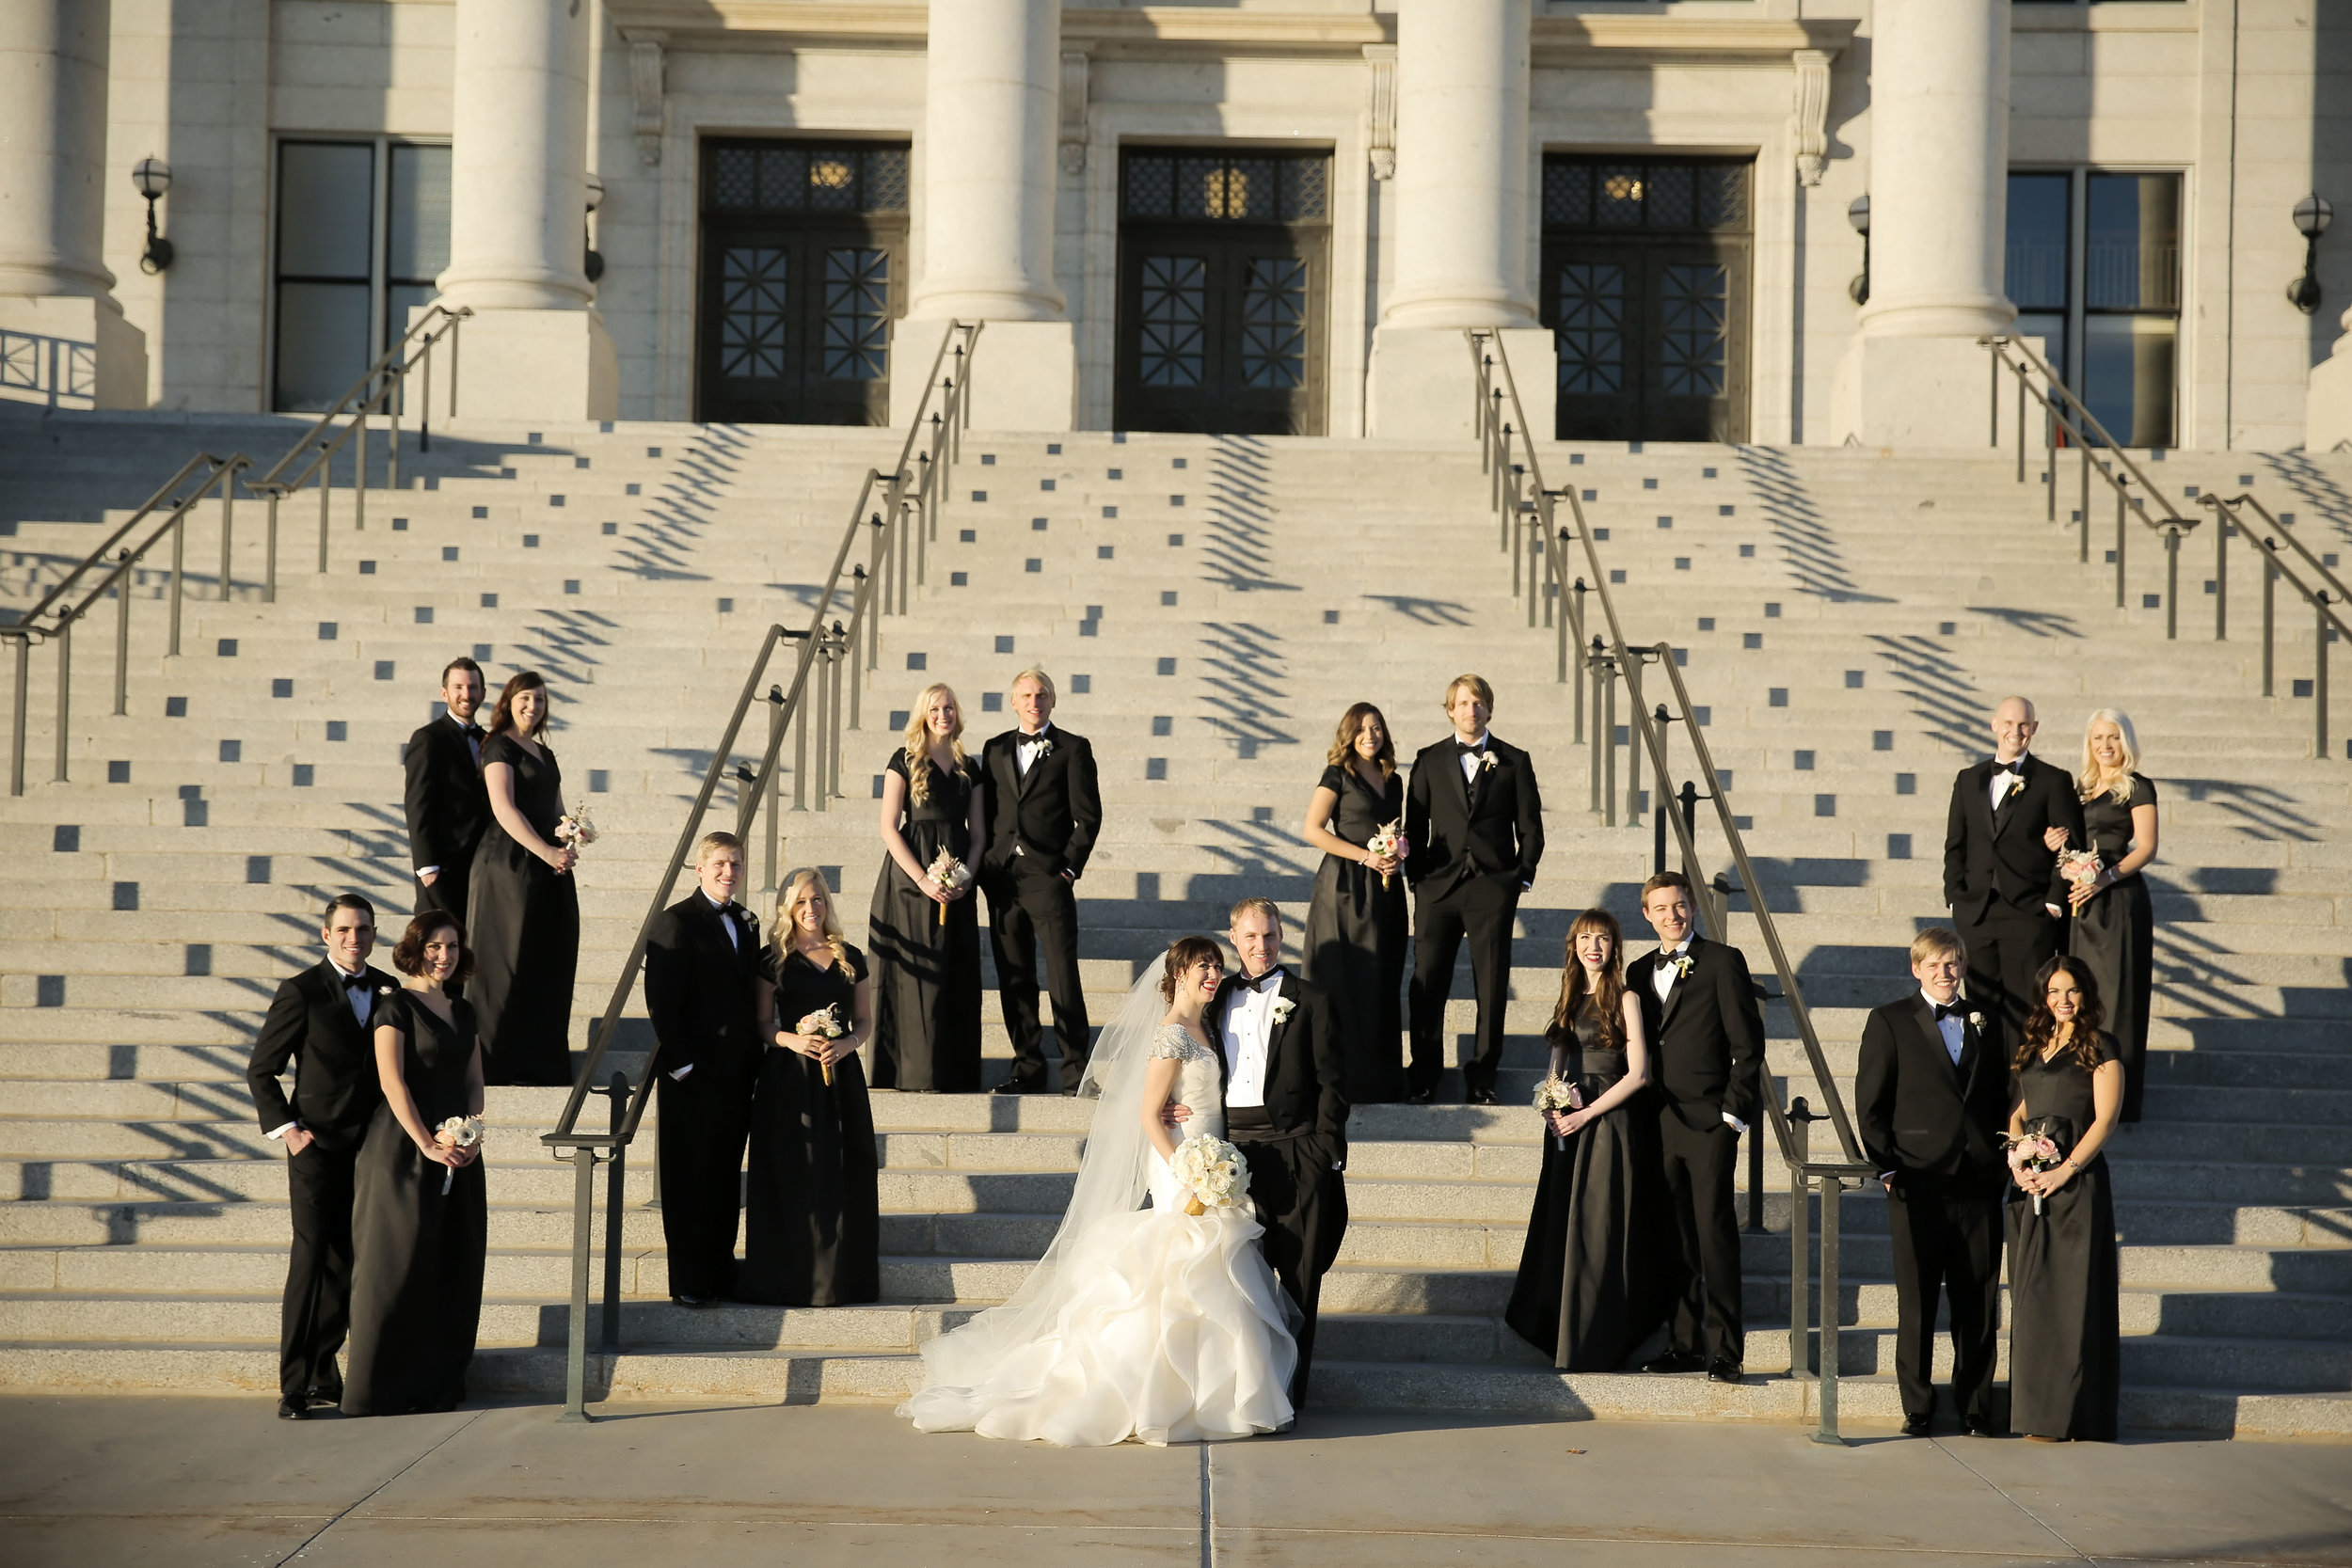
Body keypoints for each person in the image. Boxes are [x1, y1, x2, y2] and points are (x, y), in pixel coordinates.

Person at [901, 937, 1301, 1446]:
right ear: (1178, 972)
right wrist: (1187, 1169)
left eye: (1217, 967)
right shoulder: (1170, 1034)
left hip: (1211, 1156)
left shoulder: (1205, 1026)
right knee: (1183, 1267)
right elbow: (1147, 1114)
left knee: (1214, 1268)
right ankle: (1157, 1392)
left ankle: (1215, 1395)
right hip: (1183, 1165)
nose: (1213, 974)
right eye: (1203, 965)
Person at [1854, 928, 2010, 1438]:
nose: (1947, 973)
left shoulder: (1988, 1020)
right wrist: (1888, 1167)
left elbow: (2005, 1095)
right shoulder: (1889, 1021)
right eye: (1937, 965)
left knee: (1978, 1299)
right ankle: (1918, 1406)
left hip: (1979, 1181)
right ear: (1916, 968)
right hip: (1917, 1181)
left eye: (1955, 963)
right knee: (1917, 1299)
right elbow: (1871, 1105)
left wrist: (2006, 1156)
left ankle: (1975, 1406)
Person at [246, 895, 394, 1419]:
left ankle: (324, 1374)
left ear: (375, 935)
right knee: (311, 1259)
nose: (356, 938)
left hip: (372, 1148)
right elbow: (261, 1069)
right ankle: (292, 1385)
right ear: (326, 935)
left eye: (365, 930)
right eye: (346, 930)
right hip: (315, 1145)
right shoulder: (301, 991)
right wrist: (288, 1131)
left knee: (349, 1261)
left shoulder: (389, 989)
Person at [1202, 897, 1350, 1410]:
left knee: (1300, 1275)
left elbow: (1334, 1082)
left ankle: (1290, 1395)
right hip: (1230, 1154)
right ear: (1233, 937)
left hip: (1296, 1148)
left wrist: (1325, 1151)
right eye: (1249, 937)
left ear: (1281, 935)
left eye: (1268, 936)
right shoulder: (1215, 997)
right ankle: (1248, 1390)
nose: (1260, 946)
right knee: (1240, 1276)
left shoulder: (1311, 999)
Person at [342, 913, 487, 1417]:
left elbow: (473, 1083)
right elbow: (392, 1082)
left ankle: (438, 1384)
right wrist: (427, 1142)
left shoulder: (464, 1011)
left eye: (451, 946)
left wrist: (470, 1134)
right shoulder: (395, 1007)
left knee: (453, 1263)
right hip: (402, 1149)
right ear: (414, 949)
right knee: (396, 1264)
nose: (443, 955)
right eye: (433, 946)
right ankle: (376, 1390)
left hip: (459, 1149)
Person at [1504, 909, 1658, 1371]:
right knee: (1563, 1225)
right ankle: (1560, 1333)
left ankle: (1595, 1340)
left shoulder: (1626, 997)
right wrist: (1551, 1107)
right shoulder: (1570, 995)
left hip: (1608, 1122)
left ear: (1615, 947)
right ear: (1573, 946)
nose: (1594, 946)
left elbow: (1640, 1074)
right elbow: (1555, 1065)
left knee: (1598, 1229)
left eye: (1604, 938)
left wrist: (1587, 1112)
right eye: (1586, 937)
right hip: (1566, 1126)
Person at [1631, 871, 1762, 1384]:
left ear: (1693, 907)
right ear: (1647, 914)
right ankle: (1684, 1343)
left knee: (1714, 1233)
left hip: (1709, 1122)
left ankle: (1727, 1349)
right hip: (1656, 1121)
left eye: (1680, 905)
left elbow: (1748, 1047)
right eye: (1662, 908)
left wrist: (1732, 1113)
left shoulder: (1722, 962)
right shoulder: (1639, 971)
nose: (1672, 915)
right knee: (1673, 1236)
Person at [738, 870, 881, 1307]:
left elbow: (865, 1020)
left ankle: (841, 1281)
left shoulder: (850, 955)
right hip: (787, 1079)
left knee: (841, 1171)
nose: (811, 909)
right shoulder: (772, 958)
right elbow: (762, 1024)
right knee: (792, 1169)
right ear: (788, 907)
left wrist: (847, 1044)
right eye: (801, 902)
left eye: (817, 900)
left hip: (842, 1078)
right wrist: (793, 1040)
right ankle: (786, 1278)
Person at [1403, 673, 1545, 1104]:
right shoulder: (1427, 760)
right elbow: (1414, 825)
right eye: (1463, 703)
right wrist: (1417, 878)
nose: (1471, 710)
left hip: (1492, 889)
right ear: (1450, 710)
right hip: (1438, 889)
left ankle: (1483, 1075)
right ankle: (1425, 1074)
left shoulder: (1515, 761)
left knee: (1492, 983)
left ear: (1489, 708)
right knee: (1427, 983)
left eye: (1478, 702)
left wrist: (1519, 876)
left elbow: (1531, 827)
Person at [2006, 955, 2124, 1443]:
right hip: (2029, 1187)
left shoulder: (2100, 1046)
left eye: (2071, 990)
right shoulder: (2036, 1045)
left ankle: (2073, 1417)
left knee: (2073, 1298)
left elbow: (2105, 1120)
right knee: (2034, 1299)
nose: (2063, 1000)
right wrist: (2017, 1157)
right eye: (2054, 992)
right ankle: (2036, 1414)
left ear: (2086, 993)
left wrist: (2063, 1170)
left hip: (2077, 1187)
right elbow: (2020, 1113)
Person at [644, 832, 763, 1306]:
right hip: (692, 1077)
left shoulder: (748, 922)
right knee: (688, 1178)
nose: (727, 872)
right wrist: (682, 1066)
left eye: (735, 864)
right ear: (699, 867)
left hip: (736, 1074)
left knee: (722, 1176)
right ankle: (689, 1281)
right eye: (719, 863)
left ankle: (720, 1271)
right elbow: (661, 1001)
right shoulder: (675, 921)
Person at [978, 668, 1102, 1094]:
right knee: (1015, 975)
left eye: (1043, 694)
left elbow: (1087, 817)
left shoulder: (1073, 748)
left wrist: (1068, 868)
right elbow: (985, 812)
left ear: (1053, 700)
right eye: (1027, 695)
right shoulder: (993, 749)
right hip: (1001, 878)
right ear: (1013, 701)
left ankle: (1075, 1071)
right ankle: (1026, 1068)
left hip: (1049, 876)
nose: (1035, 701)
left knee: (1063, 973)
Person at [1944, 695, 2085, 1039]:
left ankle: (2025, 1091)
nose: (2015, 731)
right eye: (2008, 723)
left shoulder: (2054, 780)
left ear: (2034, 729)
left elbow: (2074, 847)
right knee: (1980, 1011)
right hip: (1976, 913)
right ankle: (1988, 1091)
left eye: (2023, 724)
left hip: (2029, 913)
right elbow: (1955, 845)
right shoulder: (1967, 780)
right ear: (1995, 725)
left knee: (2029, 1012)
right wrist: (1954, 897)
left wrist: (2053, 903)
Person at [468, 670, 583, 1085]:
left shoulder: (545, 754)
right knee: (505, 962)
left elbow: (557, 812)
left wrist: (571, 835)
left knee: (549, 958)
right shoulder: (497, 745)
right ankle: (494, 1065)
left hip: (547, 867)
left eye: (539, 699)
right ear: (508, 701)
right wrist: (546, 850)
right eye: (525, 698)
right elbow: (505, 809)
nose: (532, 706)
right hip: (507, 865)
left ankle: (540, 1064)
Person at [868, 683, 987, 1092]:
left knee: (955, 973)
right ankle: (910, 1073)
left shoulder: (970, 766)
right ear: (923, 713)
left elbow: (978, 835)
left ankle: (953, 1073)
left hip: (956, 882)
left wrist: (965, 878)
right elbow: (888, 827)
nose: (943, 714)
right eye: (935, 708)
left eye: (950, 707)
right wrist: (922, 879)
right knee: (914, 973)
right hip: (909, 880)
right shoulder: (903, 761)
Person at [2042, 709, 2158, 1124]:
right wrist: (2053, 841)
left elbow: (2145, 847)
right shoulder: (2081, 788)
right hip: (2080, 901)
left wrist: (2104, 879)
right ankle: (2082, 1091)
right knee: (2080, 993)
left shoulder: (2138, 787)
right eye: (2098, 739)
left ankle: (2118, 1100)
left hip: (2117, 900)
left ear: (2124, 740)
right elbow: (2067, 840)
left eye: (2112, 737)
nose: (2105, 746)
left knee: (2117, 994)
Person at [1298, 702, 1408, 1103]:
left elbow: (1395, 828)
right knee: (1343, 980)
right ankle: (1337, 1080)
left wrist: (1397, 851)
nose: (1369, 735)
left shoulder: (1393, 779)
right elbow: (1312, 829)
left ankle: (1377, 1080)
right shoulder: (1336, 775)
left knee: (1379, 980)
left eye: (1377, 727)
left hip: (1385, 888)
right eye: (1361, 728)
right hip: (1344, 887)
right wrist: (1365, 855)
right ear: (1348, 733)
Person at [404, 657, 490, 930]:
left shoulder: (491, 740)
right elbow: (417, 804)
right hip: (442, 870)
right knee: (438, 949)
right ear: (445, 693)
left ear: (483, 693)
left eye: (473, 687)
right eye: (459, 687)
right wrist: (427, 866)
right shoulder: (428, 738)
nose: (467, 694)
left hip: (480, 867)